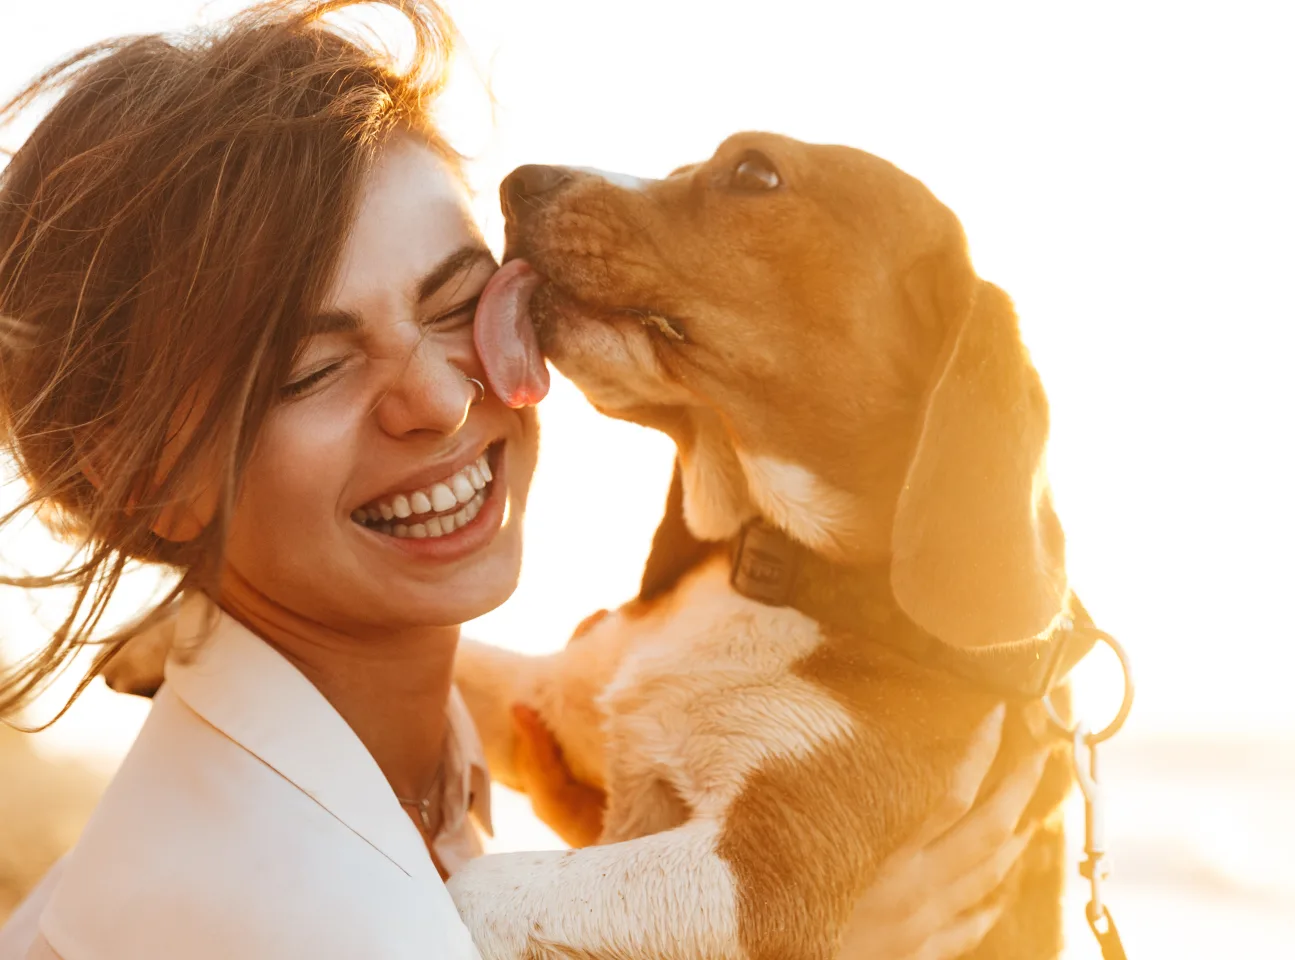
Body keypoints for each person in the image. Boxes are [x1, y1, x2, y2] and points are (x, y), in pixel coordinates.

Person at [0, 1, 1050, 957]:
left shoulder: (418, 760)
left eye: (461, 304)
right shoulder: (294, 919)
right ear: (146, 480)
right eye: (312, 369)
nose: (444, 402)